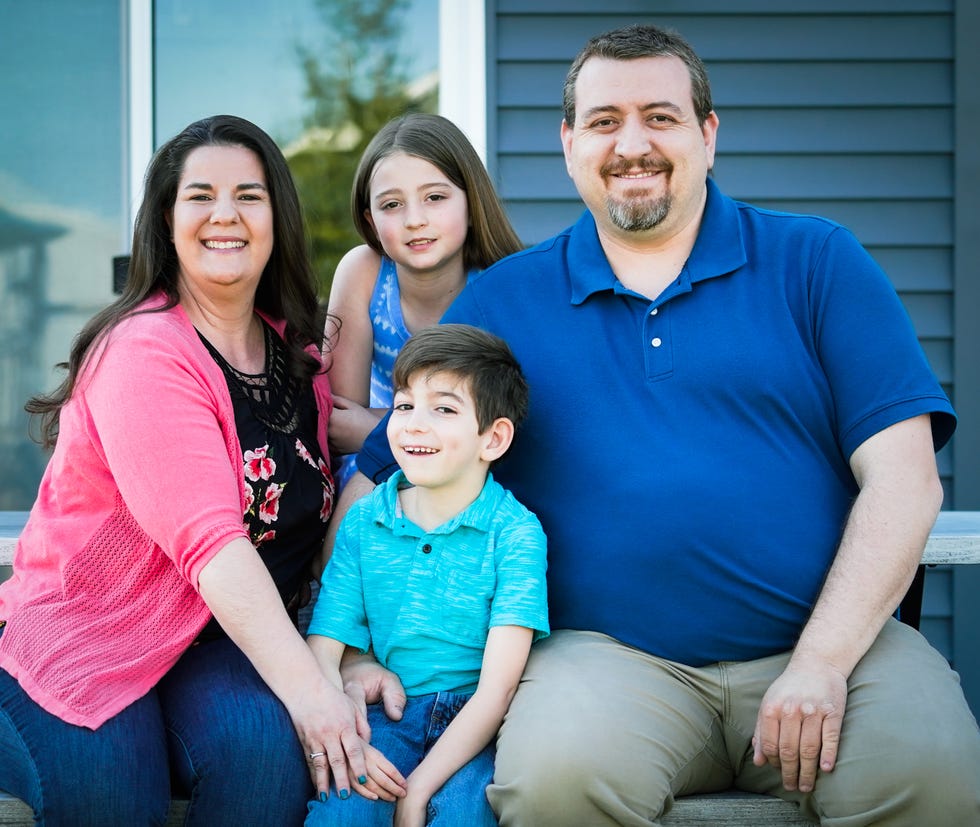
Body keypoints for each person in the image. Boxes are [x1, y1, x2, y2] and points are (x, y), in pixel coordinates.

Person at [333, 24, 980, 827]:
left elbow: (906, 477)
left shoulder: (818, 263)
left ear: (708, 135)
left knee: (932, 771)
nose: (630, 143)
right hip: (605, 661)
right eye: (603, 121)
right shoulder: (505, 304)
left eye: (660, 117)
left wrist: (822, 660)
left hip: (834, 652)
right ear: (568, 144)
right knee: (553, 784)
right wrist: (351, 654)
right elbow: (378, 475)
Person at [0, 115, 382, 826]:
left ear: (277, 217)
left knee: (265, 756)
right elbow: (213, 544)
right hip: (86, 631)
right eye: (199, 195)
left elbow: (348, 464)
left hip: (211, 643)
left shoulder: (296, 356)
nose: (225, 215)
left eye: (249, 194)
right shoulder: (145, 350)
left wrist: (349, 652)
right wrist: (312, 691)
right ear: (167, 221)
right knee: (116, 793)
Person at [306, 324, 549, 827]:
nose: (414, 424)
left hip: (476, 725)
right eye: (403, 405)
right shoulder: (365, 520)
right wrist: (350, 742)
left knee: (462, 816)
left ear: (493, 438)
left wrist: (418, 790)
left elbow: (497, 691)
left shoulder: (516, 534)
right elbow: (324, 649)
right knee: (342, 816)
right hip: (387, 716)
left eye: (443, 408)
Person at [326, 113, 523, 486]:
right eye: (392, 205)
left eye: (434, 197)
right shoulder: (364, 273)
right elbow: (338, 419)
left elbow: (502, 425)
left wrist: (374, 425)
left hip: (473, 476)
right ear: (370, 221)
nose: (414, 220)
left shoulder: (502, 285)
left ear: (471, 204)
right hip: (372, 472)